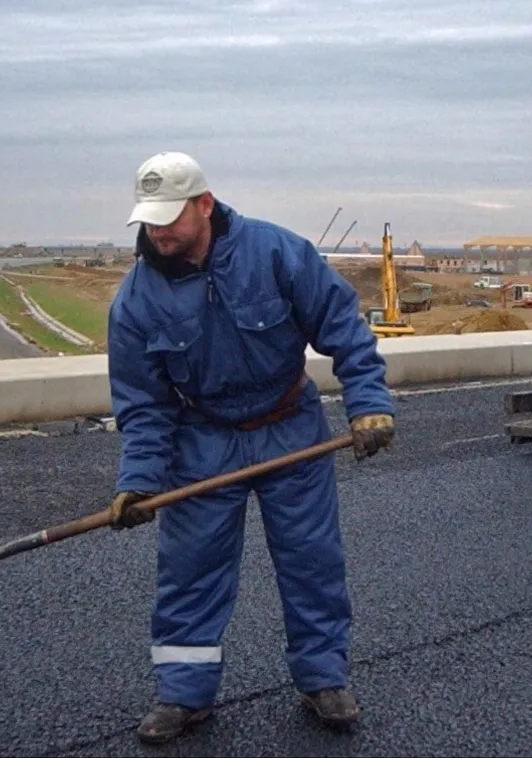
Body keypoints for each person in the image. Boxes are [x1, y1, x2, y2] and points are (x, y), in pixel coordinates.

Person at [105, 150, 396, 744]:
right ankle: (184, 694)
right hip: (203, 441)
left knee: (311, 559)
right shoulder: (135, 302)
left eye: (170, 217)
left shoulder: (275, 253)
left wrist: (368, 403)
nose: (158, 231)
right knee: (190, 571)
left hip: (291, 430)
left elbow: (344, 327)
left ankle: (323, 678)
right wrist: (139, 480)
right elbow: (143, 405)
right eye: (149, 221)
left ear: (204, 205)